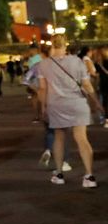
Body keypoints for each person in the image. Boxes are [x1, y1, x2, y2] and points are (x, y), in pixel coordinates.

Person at [38, 35, 99, 188]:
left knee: (59, 137)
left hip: (57, 105)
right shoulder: (77, 61)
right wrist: (96, 101)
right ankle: (89, 176)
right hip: (77, 104)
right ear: (66, 45)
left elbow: (43, 89)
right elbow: (86, 84)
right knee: (81, 138)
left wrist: (43, 107)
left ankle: (59, 174)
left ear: (52, 45)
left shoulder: (43, 65)